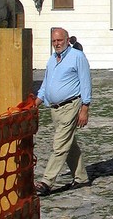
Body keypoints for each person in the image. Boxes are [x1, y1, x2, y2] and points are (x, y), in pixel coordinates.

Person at [34, 27, 92, 196]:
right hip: (55, 109)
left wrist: (85, 108)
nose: (56, 44)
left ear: (67, 40)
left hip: (71, 105)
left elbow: (86, 82)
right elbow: (45, 84)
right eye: (54, 41)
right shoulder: (52, 59)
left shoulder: (77, 57)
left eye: (59, 40)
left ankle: (46, 181)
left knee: (59, 145)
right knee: (68, 144)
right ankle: (81, 178)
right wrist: (35, 102)